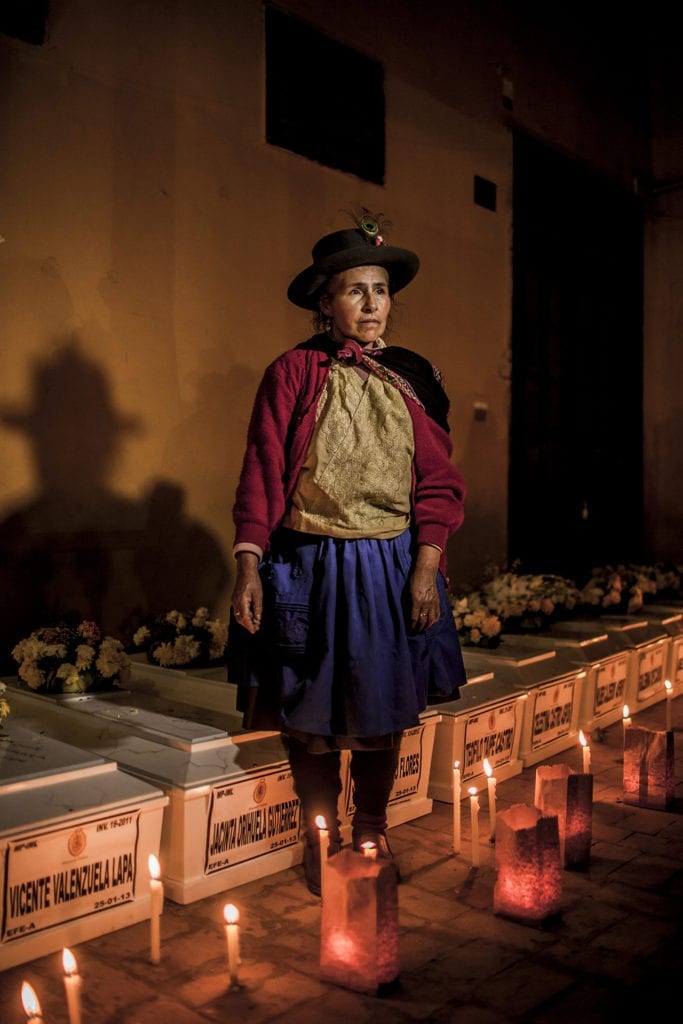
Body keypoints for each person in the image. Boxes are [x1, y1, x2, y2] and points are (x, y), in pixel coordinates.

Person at [227, 210, 467, 896]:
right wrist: (248, 563)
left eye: (381, 291)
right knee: (307, 712)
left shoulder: (411, 378)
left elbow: (440, 483)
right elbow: (262, 471)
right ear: (324, 303)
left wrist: (426, 566)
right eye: (355, 291)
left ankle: (370, 828)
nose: (371, 304)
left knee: (380, 707)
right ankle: (319, 832)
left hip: (388, 566)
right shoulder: (293, 374)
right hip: (308, 563)